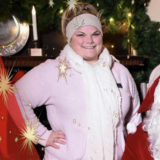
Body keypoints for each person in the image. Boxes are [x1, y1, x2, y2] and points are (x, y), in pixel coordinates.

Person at [14, 2, 141, 160]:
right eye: (80, 34)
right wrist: (42, 136)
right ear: (69, 38)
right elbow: (15, 96)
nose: (90, 40)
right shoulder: (54, 71)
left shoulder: (119, 72)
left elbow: (136, 116)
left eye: (95, 33)